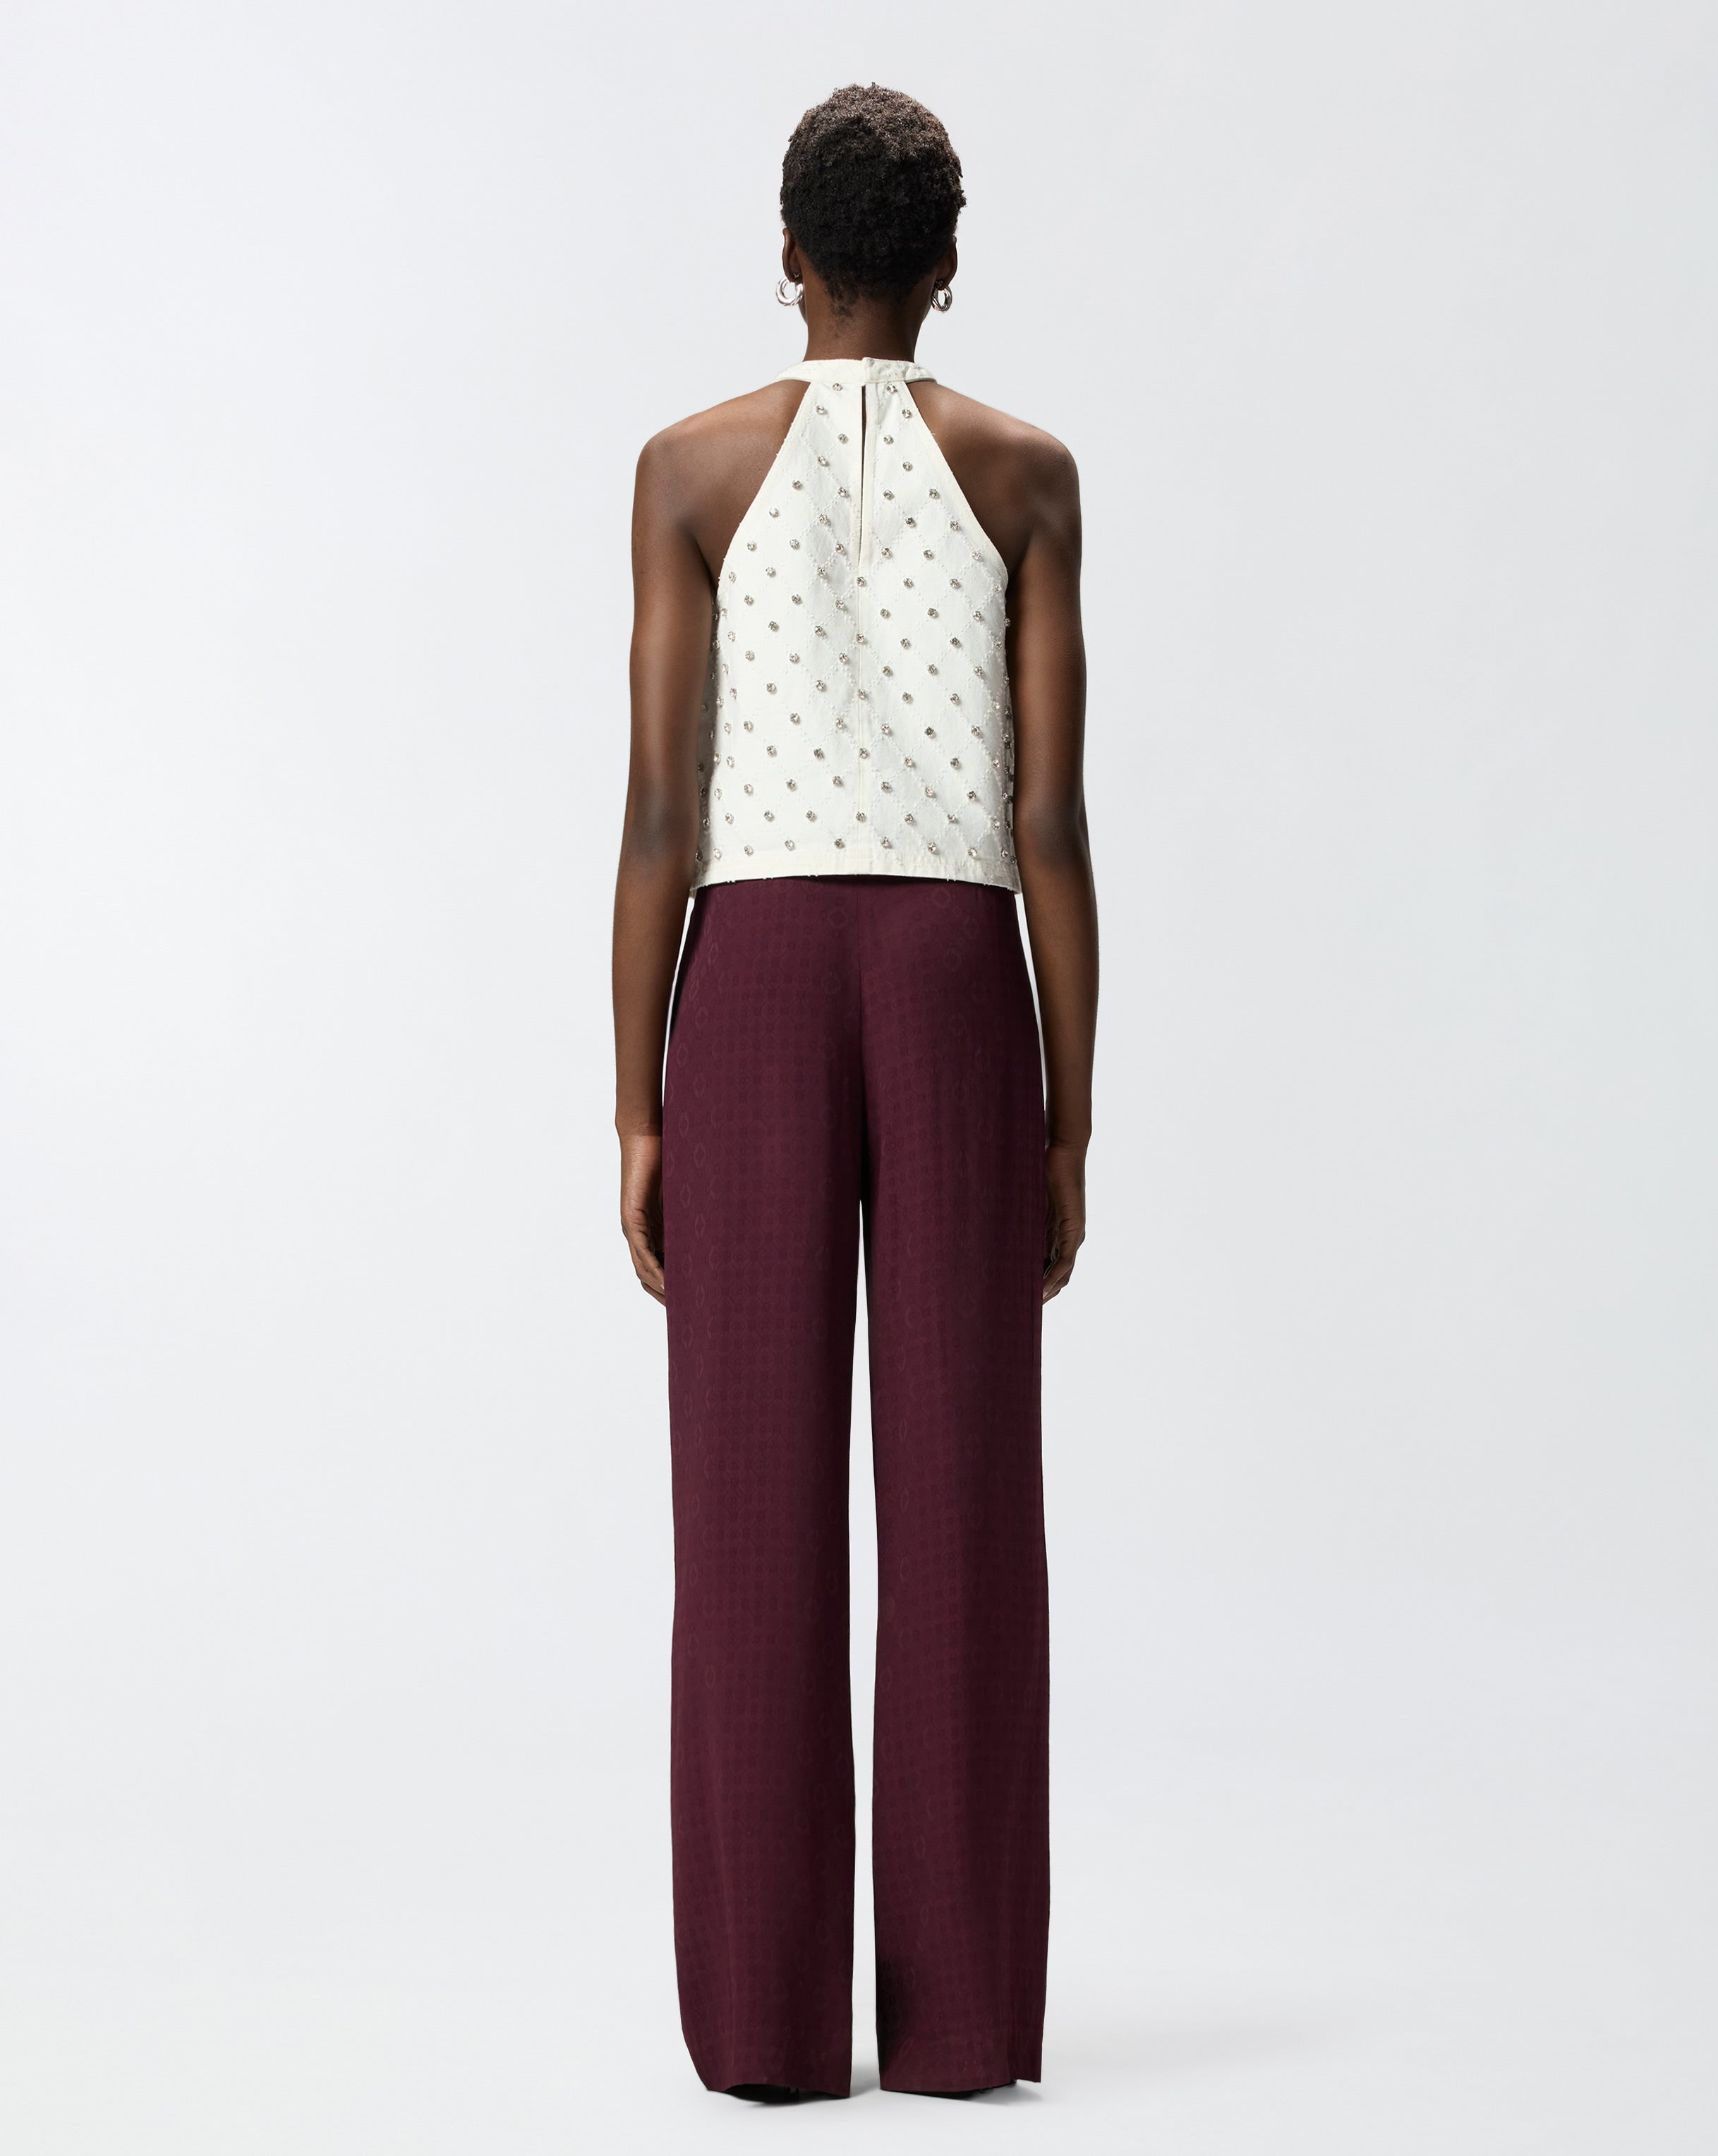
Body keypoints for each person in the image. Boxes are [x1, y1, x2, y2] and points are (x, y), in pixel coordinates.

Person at [612, 82, 1097, 2103]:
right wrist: (1068, 1114)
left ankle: (764, 2028)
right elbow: (1051, 821)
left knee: (747, 1493)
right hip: (959, 978)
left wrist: (637, 1105)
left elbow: (660, 811)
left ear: (790, 257)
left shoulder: (691, 469)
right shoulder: (1028, 473)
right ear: (949, 265)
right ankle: (965, 2028)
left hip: (751, 980)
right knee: (970, 1489)